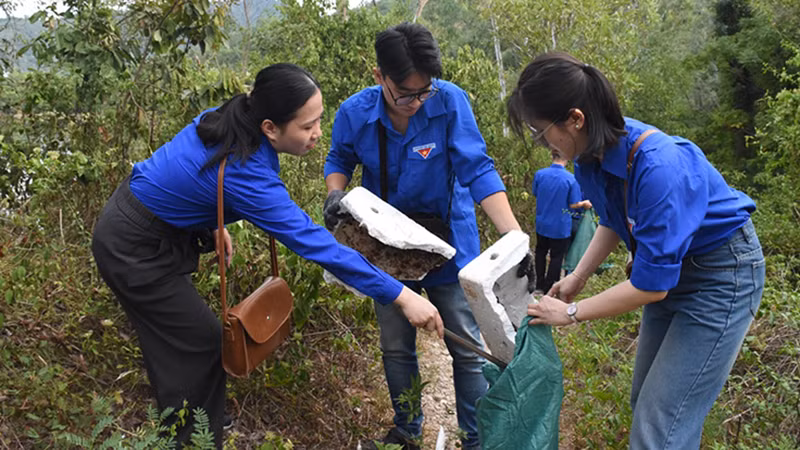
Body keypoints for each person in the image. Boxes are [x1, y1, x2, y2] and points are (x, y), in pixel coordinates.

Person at [91, 63, 444, 449]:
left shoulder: (234, 117)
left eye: (318, 121)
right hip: (133, 245)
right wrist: (400, 294)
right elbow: (316, 244)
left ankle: (195, 423)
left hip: (148, 227)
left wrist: (210, 222)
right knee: (202, 341)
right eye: (306, 126)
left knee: (176, 338)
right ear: (270, 128)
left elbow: (187, 168)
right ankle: (192, 438)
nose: (317, 134)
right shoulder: (248, 171)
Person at [508, 52, 765, 449]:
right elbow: (611, 219)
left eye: (542, 132)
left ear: (575, 119)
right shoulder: (589, 158)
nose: (544, 143)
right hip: (670, 270)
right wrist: (576, 278)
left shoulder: (657, 166)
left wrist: (572, 313)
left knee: (661, 422)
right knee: (647, 402)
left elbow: (651, 287)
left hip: (721, 276)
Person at [323, 23, 525, 450]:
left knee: (466, 345)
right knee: (396, 345)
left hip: (448, 243)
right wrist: (335, 193)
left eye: (423, 92)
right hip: (386, 249)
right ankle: (407, 430)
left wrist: (512, 237)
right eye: (405, 93)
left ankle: (476, 437)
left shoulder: (449, 102)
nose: (416, 102)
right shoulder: (355, 113)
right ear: (380, 76)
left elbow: (477, 167)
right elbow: (338, 158)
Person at [532, 149, 592, 294]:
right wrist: (584, 204)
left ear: (551, 156)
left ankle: (538, 284)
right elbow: (573, 204)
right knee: (556, 257)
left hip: (542, 222)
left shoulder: (540, 174)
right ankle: (548, 287)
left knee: (540, 252)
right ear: (566, 158)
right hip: (560, 226)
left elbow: (535, 193)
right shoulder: (570, 179)